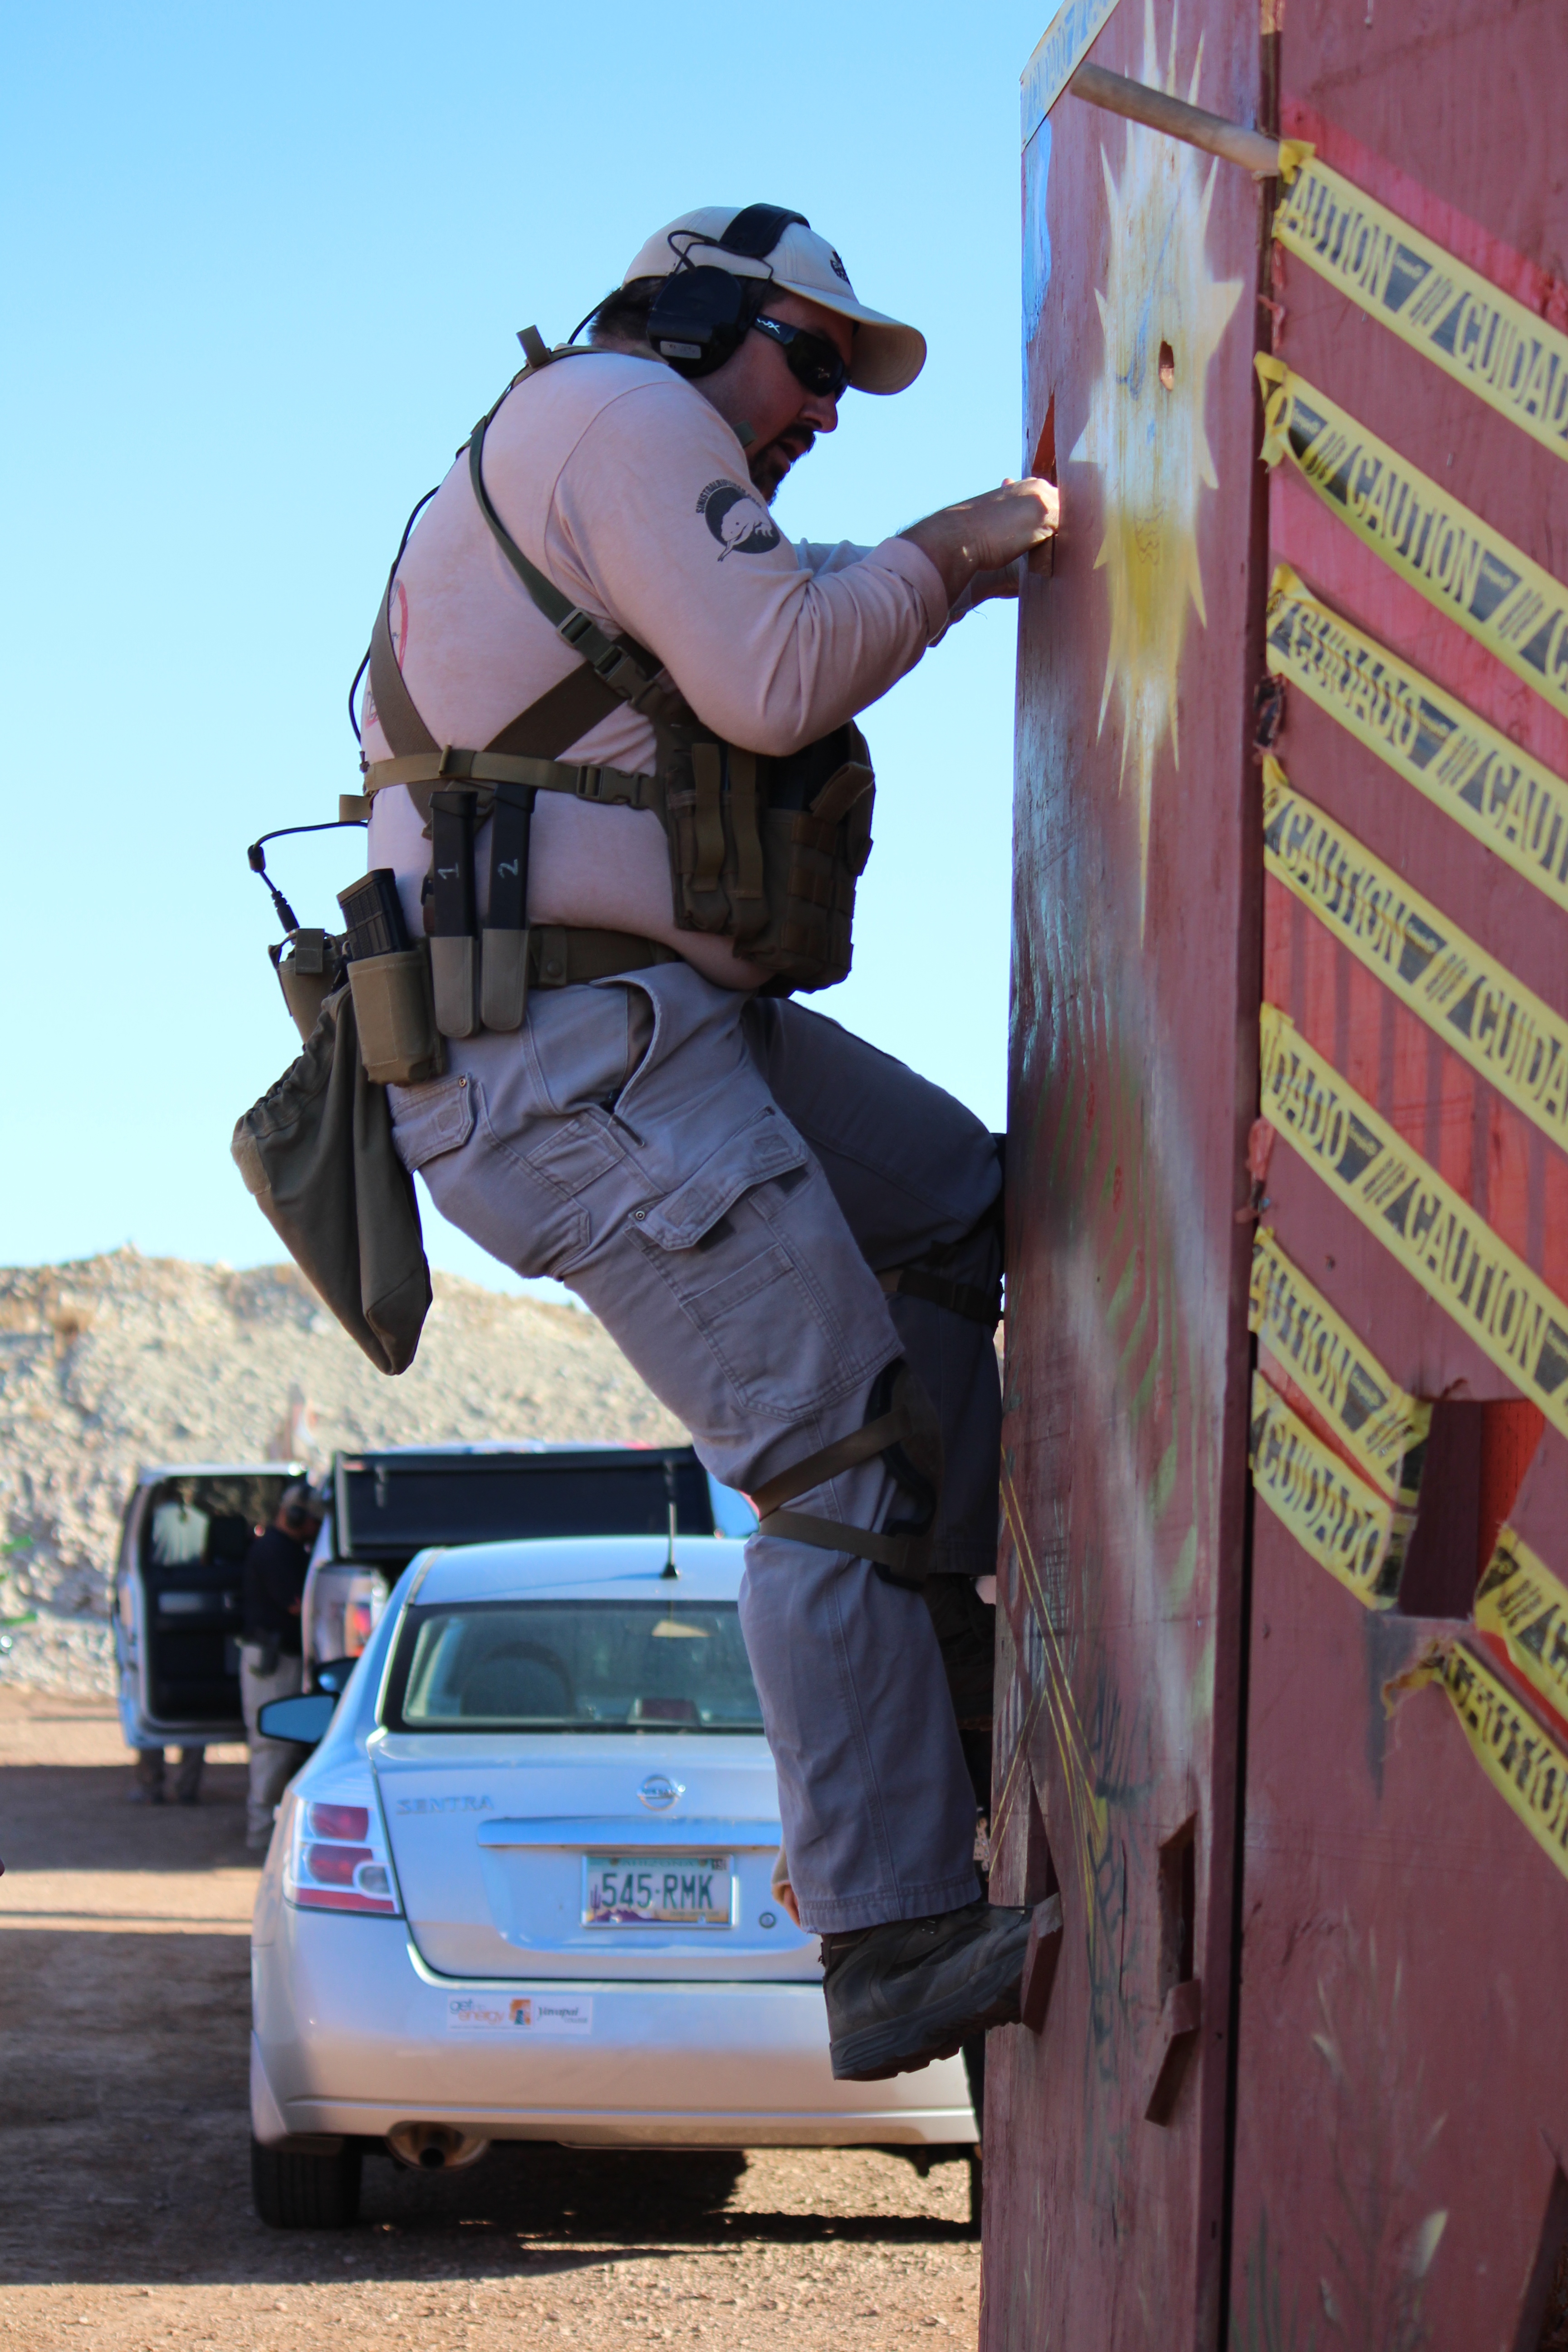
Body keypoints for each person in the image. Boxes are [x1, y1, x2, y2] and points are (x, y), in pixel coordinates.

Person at [360, 205, 1058, 2079]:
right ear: (687, 314)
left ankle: (936, 1657)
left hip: (641, 1034)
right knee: (822, 1445)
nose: (821, 410)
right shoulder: (625, 412)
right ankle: (890, 1934)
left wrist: (941, 565)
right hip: (573, 1062)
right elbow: (775, 673)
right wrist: (956, 550)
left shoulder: (594, 453)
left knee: (957, 1202)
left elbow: (770, 615)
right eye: (808, 360)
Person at [240, 1483, 322, 1851]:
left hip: (280, 1658)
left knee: (281, 1746)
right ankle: (260, 1836)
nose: (316, 1528)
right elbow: (297, 1605)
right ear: (296, 1516)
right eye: (313, 1521)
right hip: (271, 1661)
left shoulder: (287, 1549)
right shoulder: (274, 1550)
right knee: (271, 1746)